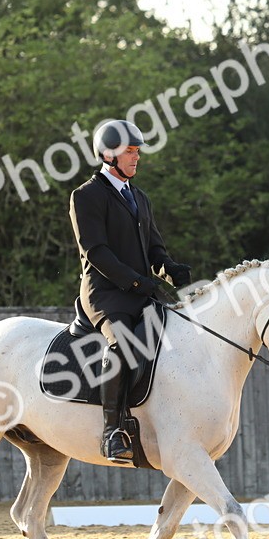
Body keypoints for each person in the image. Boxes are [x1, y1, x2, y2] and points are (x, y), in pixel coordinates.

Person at [69, 119, 192, 464]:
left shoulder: (139, 197)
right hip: (106, 295)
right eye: (130, 151)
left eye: (138, 151)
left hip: (141, 294)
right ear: (108, 154)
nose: (136, 157)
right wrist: (138, 282)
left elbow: (154, 250)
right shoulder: (86, 196)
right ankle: (112, 432)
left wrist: (170, 269)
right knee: (122, 345)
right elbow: (96, 252)